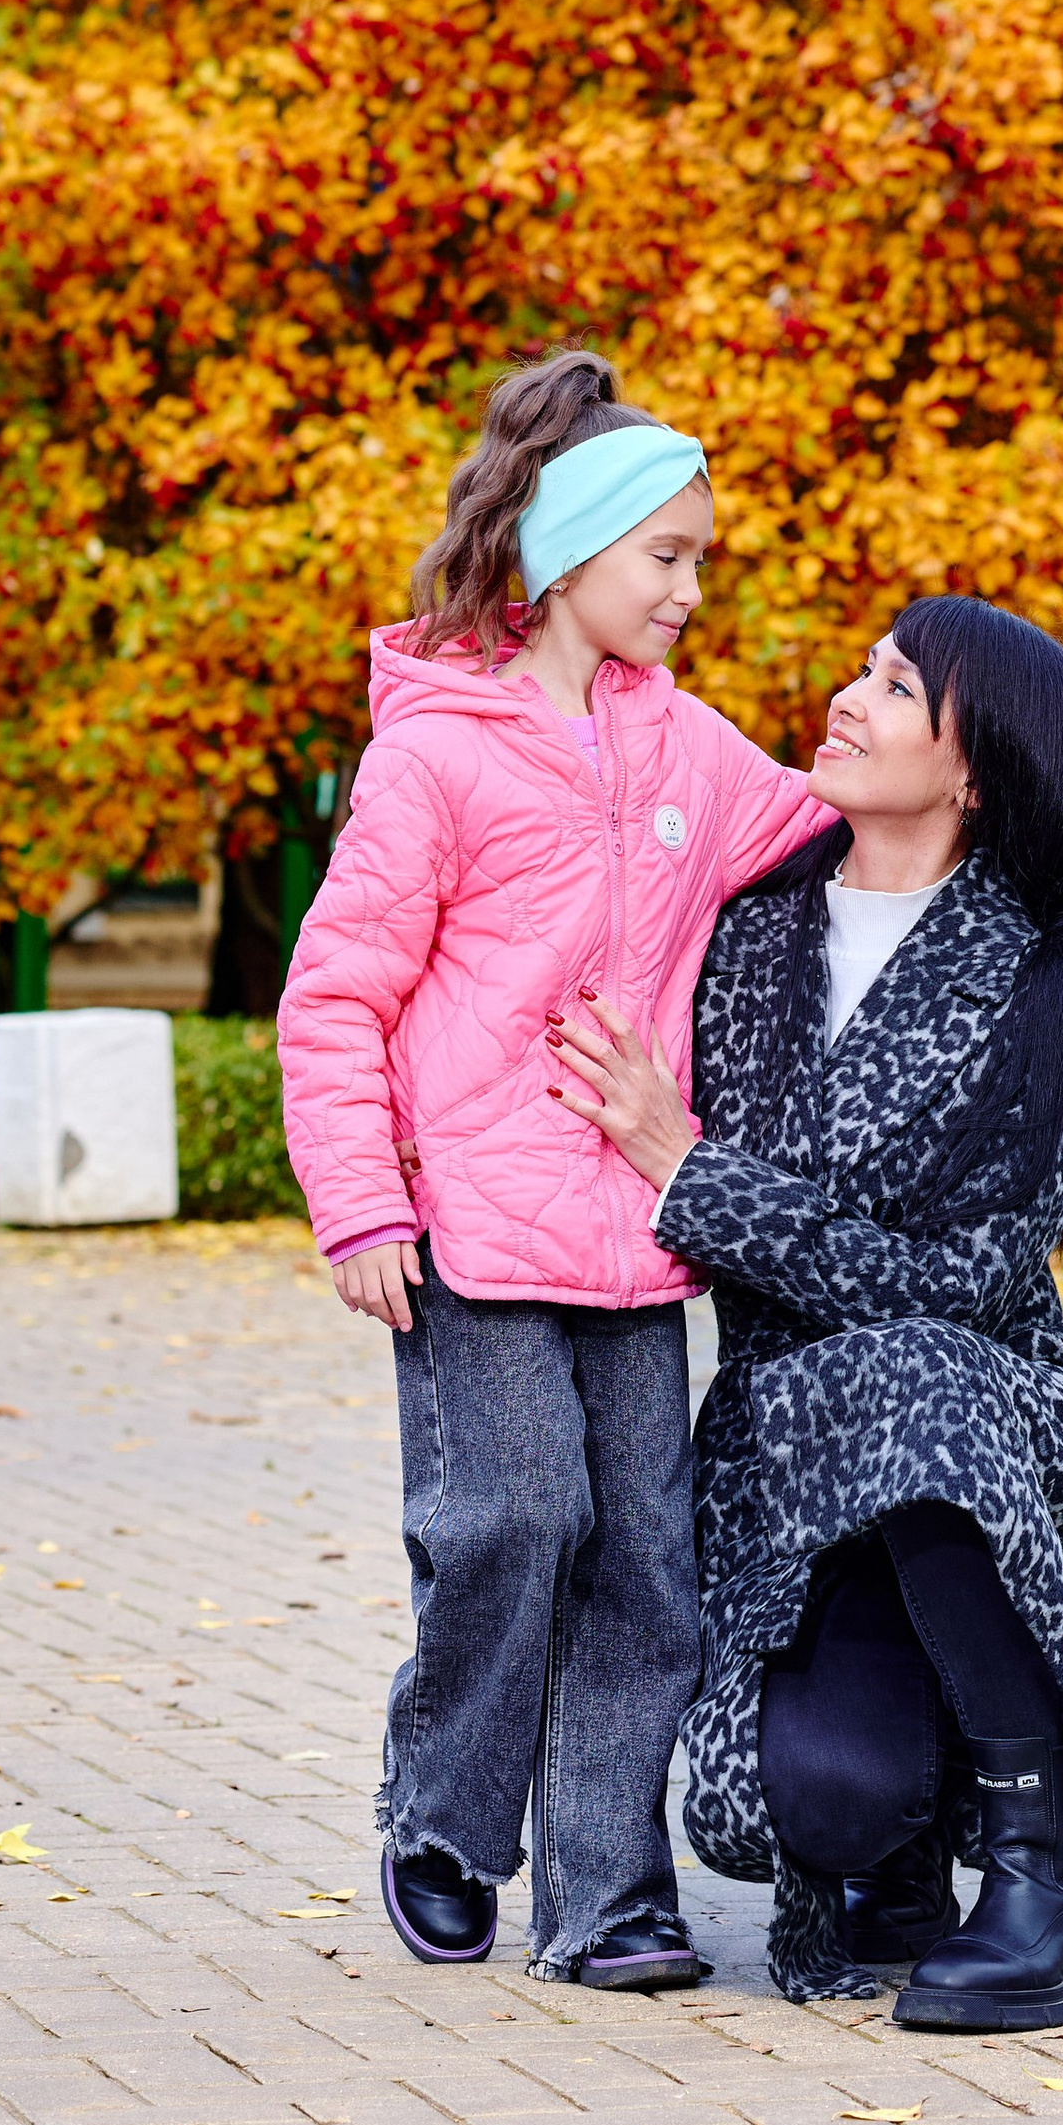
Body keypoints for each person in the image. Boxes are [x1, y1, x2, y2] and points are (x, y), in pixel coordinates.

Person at [276, 350, 834, 1990]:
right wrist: (359, 1202)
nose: (689, 590)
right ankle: (445, 1815)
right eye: (666, 556)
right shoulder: (436, 756)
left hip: (637, 1238)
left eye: (699, 560)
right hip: (470, 1229)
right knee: (514, 1520)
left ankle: (608, 1896)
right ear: (567, 550)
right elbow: (335, 996)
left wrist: (1016, 921)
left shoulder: (689, 753)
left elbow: (830, 834)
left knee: (645, 1563)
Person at [552, 597, 1063, 2026]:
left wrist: (693, 1176)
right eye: (865, 670)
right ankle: (900, 1852)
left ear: (975, 772)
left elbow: (960, 1289)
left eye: (897, 689)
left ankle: (1047, 1884)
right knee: (807, 1807)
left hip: (1016, 1431)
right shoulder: (742, 930)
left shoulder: (1040, 973)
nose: (848, 697)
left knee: (914, 1365)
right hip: (793, 1465)